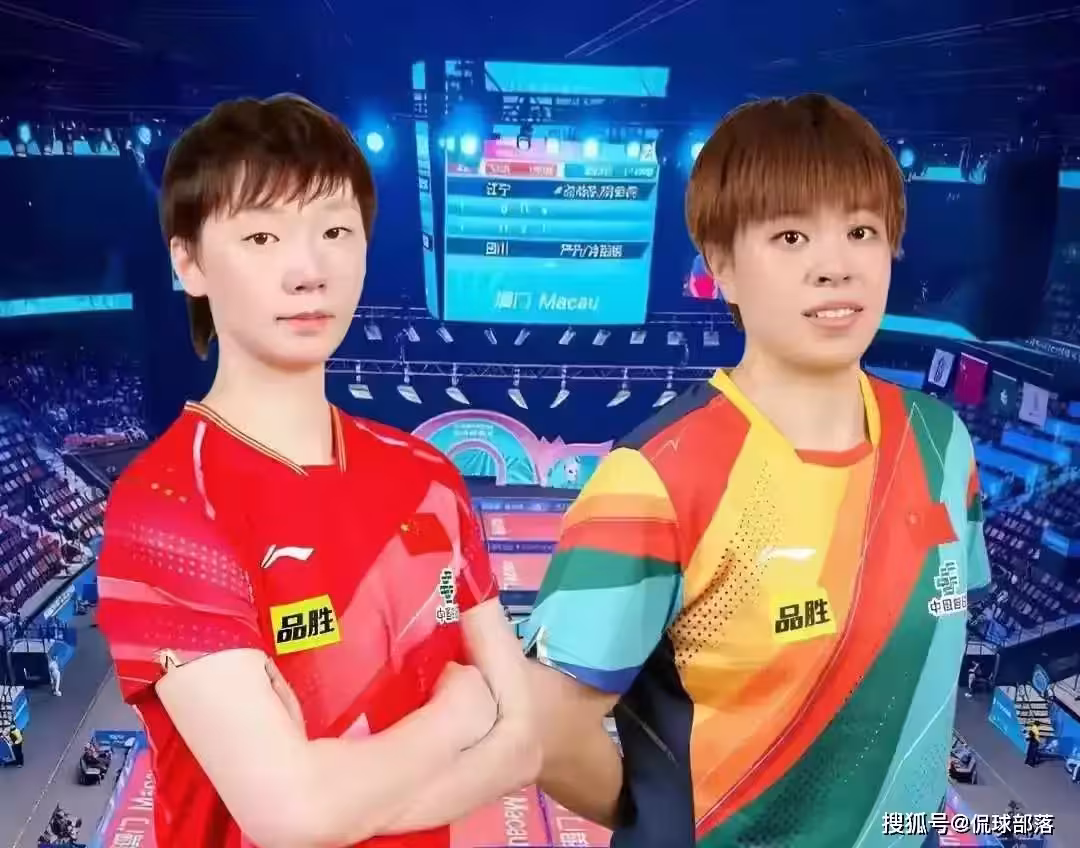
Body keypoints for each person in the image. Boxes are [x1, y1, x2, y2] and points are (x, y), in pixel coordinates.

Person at [523, 93, 991, 848]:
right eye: (791, 236)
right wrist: (673, 822)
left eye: (862, 231)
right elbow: (548, 733)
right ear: (723, 266)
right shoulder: (657, 476)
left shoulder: (944, 446)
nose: (835, 267)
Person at [96, 94, 538, 848]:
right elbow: (291, 817)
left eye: (335, 231)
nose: (308, 272)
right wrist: (455, 717)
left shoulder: (429, 476)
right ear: (188, 262)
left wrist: (334, 793)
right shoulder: (168, 509)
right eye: (261, 236)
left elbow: (524, 745)